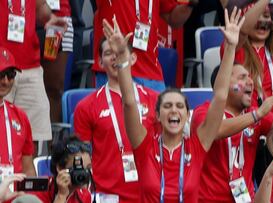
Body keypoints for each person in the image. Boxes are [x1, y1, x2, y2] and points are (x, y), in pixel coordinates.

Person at [103, 6, 244, 202]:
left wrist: (230, 47)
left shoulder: (197, 145)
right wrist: (122, 59)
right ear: (157, 115)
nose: (174, 110)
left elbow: (220, 96)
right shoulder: (144, 146)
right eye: (167, 106)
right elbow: (128, 103)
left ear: (187, 115)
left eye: (179, 106)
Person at [73, 37, 158, 202]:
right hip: (107, 196)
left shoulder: (155, 100)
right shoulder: (86, 106)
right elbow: (81, 158)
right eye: (108, 53)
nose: (115, 57)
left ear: (132, 58)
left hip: (149, 195)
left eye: (120, 52)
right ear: (99, 62)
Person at [191, 63, 273, 201]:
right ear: (223, 84)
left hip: (245, 198)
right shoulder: (203, 112)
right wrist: (257, 115)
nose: (250, 82)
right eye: (242, 77)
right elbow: (216, 130)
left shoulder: (253, 112)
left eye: (250, 77)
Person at [1, 0, 67, 155]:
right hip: (2, 67)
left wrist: (50, 17)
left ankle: (29, 179)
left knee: (32, 138)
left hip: (31, 67)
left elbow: (39, 5)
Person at [92, 0, 198, 91]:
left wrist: (190, 4)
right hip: (115, 70)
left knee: (160, 113)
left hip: (151, 73)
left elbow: (173, 18)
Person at [221, 0, 273, 107]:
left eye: (266, 16)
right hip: (246, 114)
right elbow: (243, 30)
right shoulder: (233, 47)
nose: (261, 21)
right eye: (256, 17)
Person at [0, 47, 36, 178]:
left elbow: (28, 168)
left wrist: (32, 197)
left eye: (10, 75)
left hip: (15, 196)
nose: (5, 81)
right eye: (1, 74)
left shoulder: (20, 116)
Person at [36, 0, 74, 123]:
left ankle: (52, 139)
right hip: (23, 16)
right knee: (22, 81)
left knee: (54, 87)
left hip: (58, 21)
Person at [33, 136, 92, 203]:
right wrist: (61, 196)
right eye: (78, 168)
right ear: (60, 168)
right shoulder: (40, 189)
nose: (83, 174)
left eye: (88, 168)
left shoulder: (84, 194)